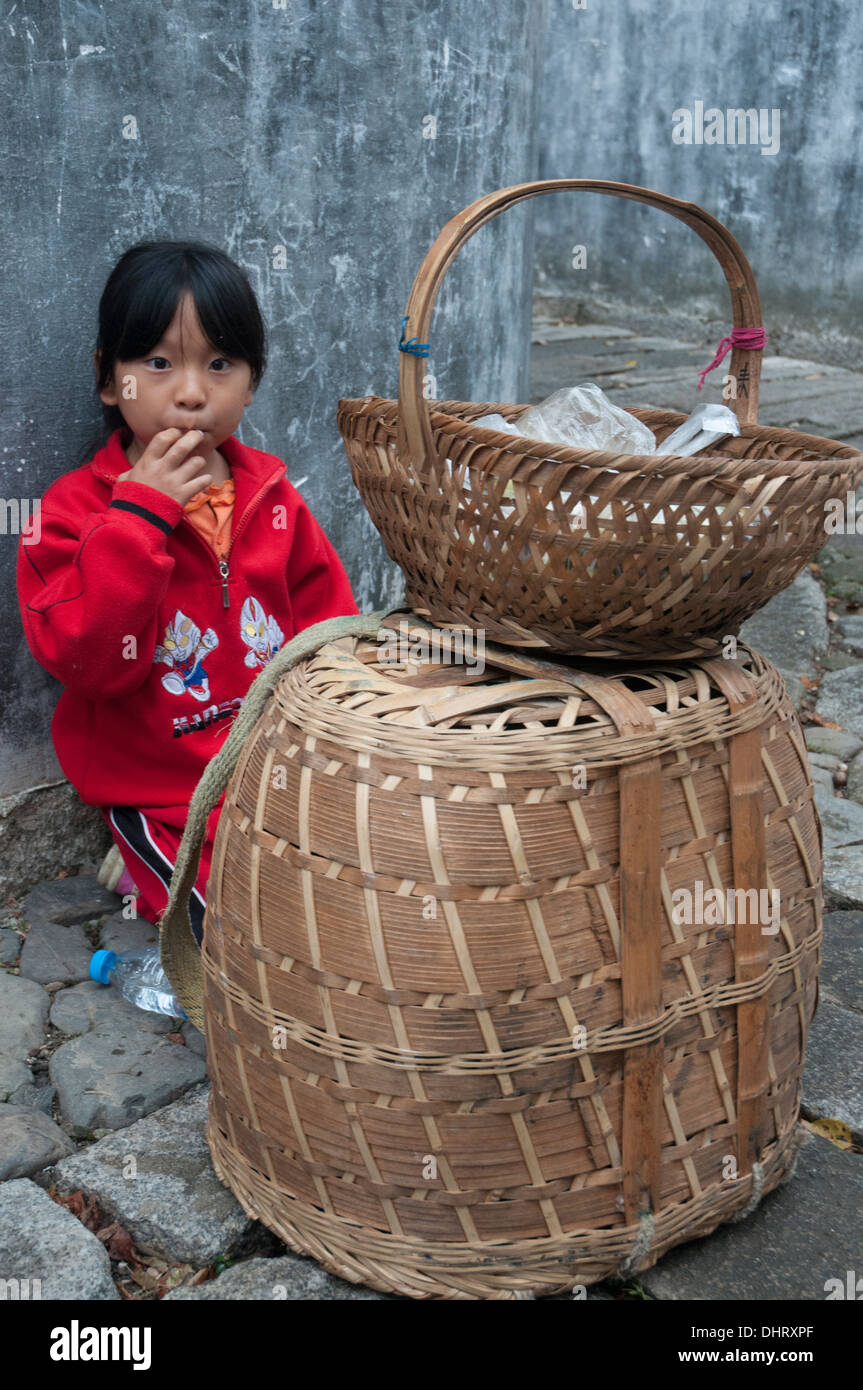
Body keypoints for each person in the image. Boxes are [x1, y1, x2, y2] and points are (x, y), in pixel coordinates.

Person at [17, 240, 360, 946]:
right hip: (161, 792)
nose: (193, 391)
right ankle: (142, 862)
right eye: (159, 364)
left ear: (253, 382)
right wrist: (138, 518)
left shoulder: (271, 500)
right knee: (235, 931)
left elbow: (329, 632)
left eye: (220, 364)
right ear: (110, 382)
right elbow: (89, 665)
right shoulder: (70, 514)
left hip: (270, 774)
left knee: (356, 887)